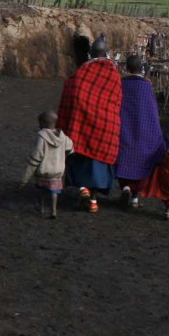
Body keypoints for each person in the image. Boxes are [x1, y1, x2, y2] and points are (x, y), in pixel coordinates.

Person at [57, 34, 122, 213]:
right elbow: (116, 102)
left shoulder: (81, 73)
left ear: (90, 54)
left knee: (80, 161)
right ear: (106, 53)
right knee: (98, 166)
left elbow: (72, 94)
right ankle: (93, 199)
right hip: (105, 127)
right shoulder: (113, 74)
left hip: (82, 127)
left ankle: (83, 190)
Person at [115, 55, 169, 208]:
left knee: (124, 157)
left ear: (127, 68)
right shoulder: (146, 86)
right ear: (142, 69)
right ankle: (135, 197)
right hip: (144, 130)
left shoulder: (121, 83)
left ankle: (125, 187)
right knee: (142, 160)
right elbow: (152, 111)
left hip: (125, 128)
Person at [20, 110, 75, 219]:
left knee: (42, 190)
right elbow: (71, 147)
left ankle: (42, 208)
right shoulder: (63, 137)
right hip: (58, 170)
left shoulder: (42, 137)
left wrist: (24, 179)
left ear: (43, 123)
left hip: (44, 170)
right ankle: (54, 211)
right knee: (54, 191)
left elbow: (37, 154)